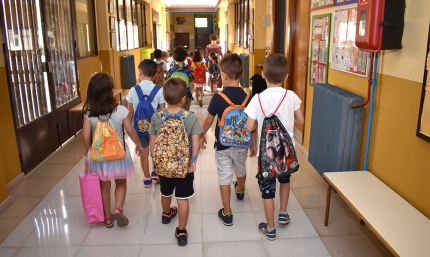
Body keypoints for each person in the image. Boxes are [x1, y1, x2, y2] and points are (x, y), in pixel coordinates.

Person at [244, 53, 304, 240]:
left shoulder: (258, 99)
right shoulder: (291, 95)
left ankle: (270, 229)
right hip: (286, 152)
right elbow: (301, 121)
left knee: (267, 191)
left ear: (263, 74)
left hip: (266, 155)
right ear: (286, 76)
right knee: (285, 181)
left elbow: (249, 127)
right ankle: (283, 213)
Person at [200, 54, 257, 226]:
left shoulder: (218, 98)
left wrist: (201, 134)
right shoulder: (249, 97)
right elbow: (253, 124)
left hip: (223, 145)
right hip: (242, 144)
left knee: (224, 176)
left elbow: (208, 121)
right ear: (241, 75)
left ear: (223, 76)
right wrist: (253, 143)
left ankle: (227, 211)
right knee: (240, 168)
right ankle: (240, 191)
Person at [82, 73, 145, 228]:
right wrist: (139, 145)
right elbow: (130, 131)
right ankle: (118, 208)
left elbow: (85, 136)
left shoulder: (89, 113)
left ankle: (108, 217)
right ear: (110, 91)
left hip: (99, 155)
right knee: (121, 182)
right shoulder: (121, 110)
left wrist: (88, 150)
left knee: (104, 185)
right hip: (119, 154)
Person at [149, 78, 203, 246]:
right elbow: (196, 141)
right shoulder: (190, 117)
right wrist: (193, 160)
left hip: (164, 165)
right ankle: (181, 231)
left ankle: (166, 213)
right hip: (183, 166)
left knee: (165, 193)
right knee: (182, 198)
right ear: (183, 99)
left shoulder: (157, 116)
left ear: (164, 98)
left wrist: (156, 160)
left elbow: (152, 141)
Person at [126, 60, 165, 188]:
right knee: (155, 150)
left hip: (140, 126)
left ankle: (147, 178)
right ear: (154, 75)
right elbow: (162, 111)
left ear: (140, 72)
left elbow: (130, 111)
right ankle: (155, 171)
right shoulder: (159, 90)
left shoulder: (133, 90)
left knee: (144, 153)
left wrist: (130, 128)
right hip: (155, 127)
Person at [166, 46, 194, 111]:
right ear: (185, 58)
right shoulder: (188, 72)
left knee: (173, 116)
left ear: (172, 57)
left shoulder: (171, 71)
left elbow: (166, 85)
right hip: (185, 98)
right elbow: (192, 87)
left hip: (172, 97)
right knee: (184, 116)